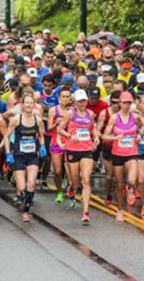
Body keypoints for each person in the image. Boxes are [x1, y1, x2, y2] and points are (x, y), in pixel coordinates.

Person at [58, 89, 100, 224]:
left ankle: (86, 212)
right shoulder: (70, 114)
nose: (82, 103)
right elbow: (60, 129)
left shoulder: (90, 114)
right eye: (80, 101)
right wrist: (70, 136)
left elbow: (92, 128)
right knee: (75, 182)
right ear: (75, 102)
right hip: (72, 150)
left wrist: (96, 137)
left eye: (84, 101)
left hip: (86, 149)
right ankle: (71, 189)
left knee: (86, 180)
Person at [4, 93, 46, 222]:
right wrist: (7, 153)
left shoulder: (38, 119)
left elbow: (41, 135)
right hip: (19, 156)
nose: (29, 105)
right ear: (22, 105)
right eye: (26, 103)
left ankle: (26, 211)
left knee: (31, 184)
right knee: (22, 187)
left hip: (32, 156)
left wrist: (42, 146)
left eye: (31, 103)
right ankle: (22, 195)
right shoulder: (16, 119)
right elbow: (6, 137)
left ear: (34, 105)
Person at [103, 91, 142, 222]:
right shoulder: (114, 118)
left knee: (131, 180)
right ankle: (120, 210)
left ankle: (130, 188)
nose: (126, 105)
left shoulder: (135, 117)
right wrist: (114, 137)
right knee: (119, 185)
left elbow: (142, 127)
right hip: (118, 153)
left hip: (132, 152)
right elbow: (104, 136)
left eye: (129, 103)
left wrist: (140, 135)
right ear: (119, 103)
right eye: (124, 102)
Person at [47, 88, 71, 203]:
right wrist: (56, 123)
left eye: (67, 96)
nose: (65, 99)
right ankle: (59, 191)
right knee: (57, 171)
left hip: (69, 142)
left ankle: (69, 185)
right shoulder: (53, 110)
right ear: (59, 98)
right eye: (63, 96)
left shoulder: (72, 111)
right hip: (56, 142)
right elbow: (49, 128)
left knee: (70, 170)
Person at [96, 91, 121, 204]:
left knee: (120, 175)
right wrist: (103, 137)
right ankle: (108, 194)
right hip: (107, 147)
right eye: (113, 103)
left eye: (118, 103)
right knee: (109, 176)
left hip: (122, 148)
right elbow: (97, 130)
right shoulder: (104, 113)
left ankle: (121, 193)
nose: (116, 105)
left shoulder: (126, 114)